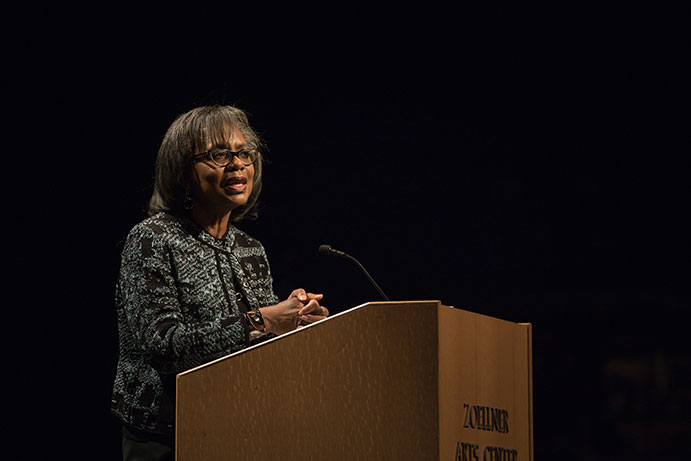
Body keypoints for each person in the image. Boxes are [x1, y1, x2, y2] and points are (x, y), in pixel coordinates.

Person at [111, 105, 328, 460]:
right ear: (182, 171)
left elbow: (259, 343)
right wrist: (263, 319)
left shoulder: (249, 248)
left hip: (242, 426)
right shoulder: (152, 239)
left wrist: (296, 324)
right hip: (167, 438)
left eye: (244, 153)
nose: (238, 164)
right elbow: (163, 344)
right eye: (218, 155)